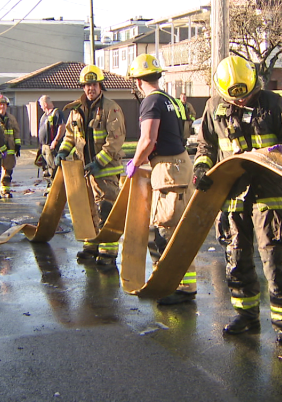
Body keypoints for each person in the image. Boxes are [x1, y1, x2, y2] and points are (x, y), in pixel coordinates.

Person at [192, 56, 282, 344]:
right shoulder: (213, 107)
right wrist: (202, 168)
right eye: (234, 99)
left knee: (275, 257)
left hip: (271, 191)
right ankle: (246, 315)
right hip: (232, 193)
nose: (240, 103)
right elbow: (206, 145)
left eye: (246, 97)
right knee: (236, 257)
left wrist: (280, 151)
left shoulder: (274, 103)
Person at [124, 54, 195, 306]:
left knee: (164, 229)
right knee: (179, 227)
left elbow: (148, 139)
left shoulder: (151, 102)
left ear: (138, 81)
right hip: (182, 164)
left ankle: (172, 285)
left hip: (167, 170)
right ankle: (185, 284)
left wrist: (135, 161)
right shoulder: (170, 100)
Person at [55, 65, 125, 267]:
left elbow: (115, 140)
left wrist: (98, 162)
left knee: (106, 210)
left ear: (100, 85)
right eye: (86, 85)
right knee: (88, 210)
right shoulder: (76, 110)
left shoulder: (111, 108)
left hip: (105, 171)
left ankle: (108, 252)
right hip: (84, 171)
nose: (90, 89)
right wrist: (62, 151)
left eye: (93, 84)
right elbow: (70, 135)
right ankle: (91, 245)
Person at [0, 95, 22, 198]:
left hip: (9, 149)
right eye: (0, 105)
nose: (2, 107)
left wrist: (17, 145)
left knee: (8, 171)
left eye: (4, 105)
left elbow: (16, 132)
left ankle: (5, 190)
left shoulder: (11, 118)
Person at [36, 95, 67, 178]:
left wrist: (56, 140)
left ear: (45, 104)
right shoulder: (44, 116)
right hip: (44, 147)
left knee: (53, 168)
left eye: (41, 104)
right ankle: (49, 188)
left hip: (51, 147)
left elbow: (62, 126)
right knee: (45, 169)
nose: (41, 107)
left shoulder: (56, 113)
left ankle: (54, 187)